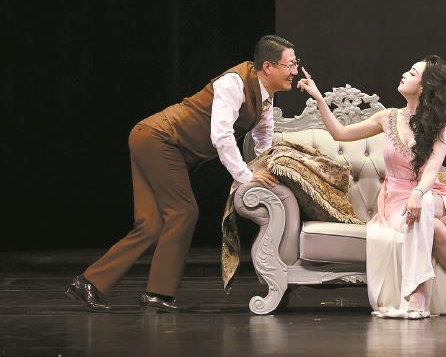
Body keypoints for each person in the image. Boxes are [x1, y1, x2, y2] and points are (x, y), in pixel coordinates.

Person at [66, 35, 298, 313]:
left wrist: (264, 169)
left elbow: (263, 138)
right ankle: (158, 292)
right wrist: (245, 176)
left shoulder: (265, 97)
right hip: (158, 139)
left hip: (158, 143)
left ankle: (89, 282)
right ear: (268, 67)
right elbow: (222, 136)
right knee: (183, 212)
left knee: (150, 225)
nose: (295, 71)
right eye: (290, 65)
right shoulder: (234, 83)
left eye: (295, 64)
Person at [297, 55, 446, 319]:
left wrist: (418, 194)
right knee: (433, 228)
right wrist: (319, 98)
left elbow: (431, 172)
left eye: (412, 73)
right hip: (394, 200)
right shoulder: (386, 117)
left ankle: (418, 297)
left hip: (429, 194)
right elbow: (340, 134)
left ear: (423, 88)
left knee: (424, 205)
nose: (404, 74)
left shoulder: (440, 127)